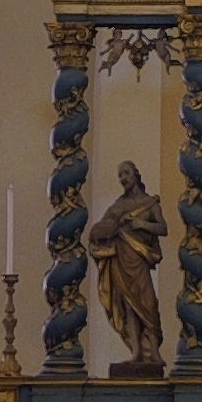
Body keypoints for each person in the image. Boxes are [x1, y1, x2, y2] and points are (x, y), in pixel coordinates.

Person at [82, 160, 168, 377]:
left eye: (126, 173)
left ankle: (154, 353)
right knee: (129, 306)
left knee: (148, 303)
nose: (123, 178)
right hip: (122, 259)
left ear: (136, 175)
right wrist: (100, 231)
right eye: (120, 175)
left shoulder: (150, 204)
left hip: (139, 261)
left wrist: (143, 225)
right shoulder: (118, 206)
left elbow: (163, 228)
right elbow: (105, 226)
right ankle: (137, 352)